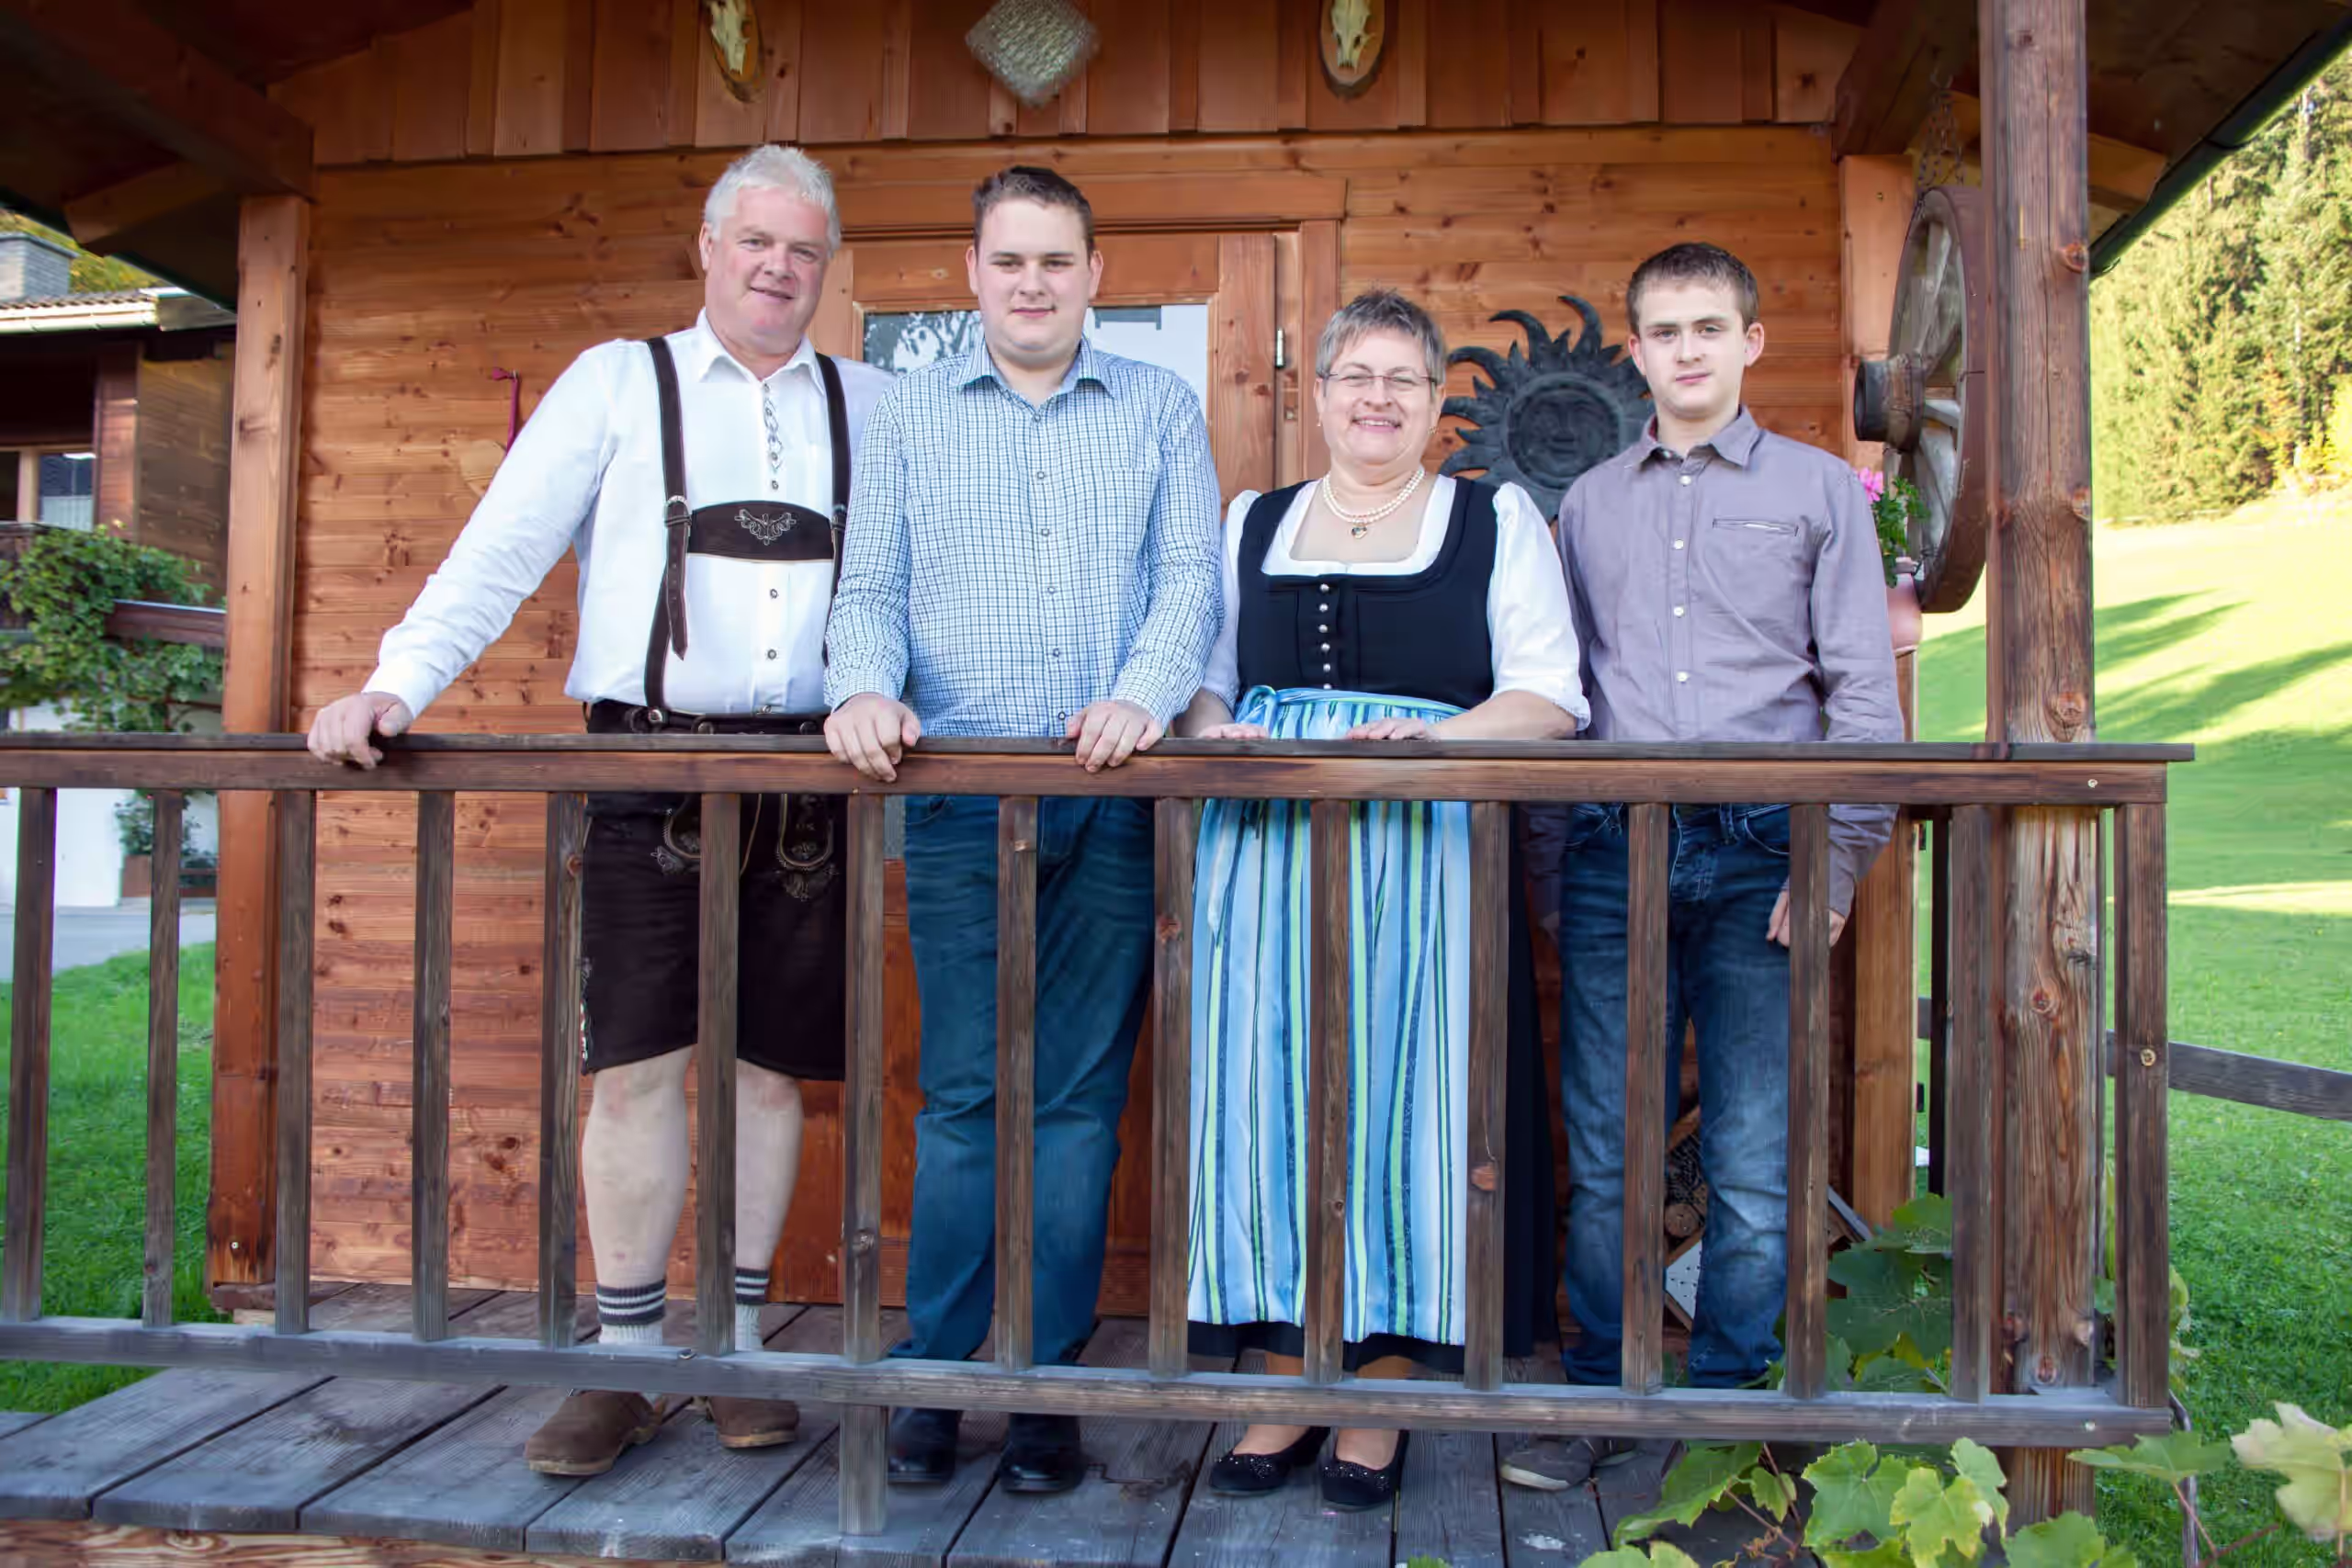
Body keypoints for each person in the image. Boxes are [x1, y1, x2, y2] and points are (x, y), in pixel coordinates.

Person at [304, 145, 893, 1477]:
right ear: (708, 246)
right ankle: (624, 1365)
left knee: (766, 1073)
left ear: (825, 267)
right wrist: (396, 683)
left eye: (803, 250)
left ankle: (729, 1347)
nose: (777, 268)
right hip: (645, 766)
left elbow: (913, 583)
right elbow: (502, 548)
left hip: (810, 775)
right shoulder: (618, 381)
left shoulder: (873, 402)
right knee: (632, 1065)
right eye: (756, 242)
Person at [822, 165, 1221, 1494]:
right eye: (1010, 261)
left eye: (1058, 260)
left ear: (1095, 273)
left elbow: (1188, 581)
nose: (1034, 282)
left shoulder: (1160, 407)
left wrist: (1142, 695)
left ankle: (1045, 1383)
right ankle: (938, 1375)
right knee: (962, 1098)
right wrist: (862, 684)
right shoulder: (913, 412)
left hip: (1109, 790)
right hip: (951, 797)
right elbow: (868, 582)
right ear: (973, 272)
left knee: (1075, 1102)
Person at [1174, 289, 1585, 1510]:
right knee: (1267, 1102)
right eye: (1357, 374)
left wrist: (1427, 739)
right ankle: (1285, 1370)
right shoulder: (1252, 520)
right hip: (1266, 852)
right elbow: (1201, 687)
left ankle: (1385, 1382)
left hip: (1425, 848)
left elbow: (1550, 697)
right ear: (1316, 394)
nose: (1377, 397)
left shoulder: (1490, 519)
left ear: (1434, 405)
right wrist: (1231, 736)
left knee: (1407, 1110)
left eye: (1404, 379)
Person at [1503, 243, 1902, 1492]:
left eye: (1708, 327)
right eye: (1664, 330)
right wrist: (1554, 867)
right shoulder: (1594, 506)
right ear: (1634, 350)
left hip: (1757, 851)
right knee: (1607, 1142)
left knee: (1750, 1145)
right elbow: (1562, 695)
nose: (1686, 349)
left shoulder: (1823, 492)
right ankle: (1602, 1394)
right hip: (1617, 845)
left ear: (1750, 341)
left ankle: (1730, 1405)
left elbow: (1864, 700)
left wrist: (1833, 864)